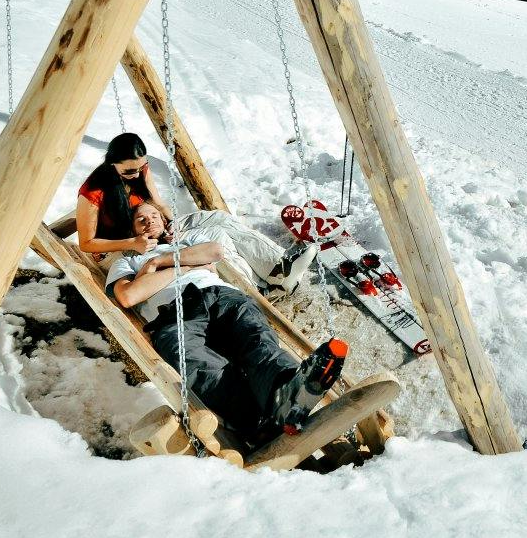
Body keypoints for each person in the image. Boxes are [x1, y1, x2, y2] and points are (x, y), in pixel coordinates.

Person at [76, 133, 344, 441]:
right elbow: (94, 252)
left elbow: (195, 238)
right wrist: (140, 247)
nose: (137, 174)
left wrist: (165, 230)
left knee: (220, 229)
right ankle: (256, 417)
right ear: (112, 165)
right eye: (130, 171)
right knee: (198, 360)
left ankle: (289, 376)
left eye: (141, 167)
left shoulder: (146, 187)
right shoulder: (99, 203)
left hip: (193, 271)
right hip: (134, 255)